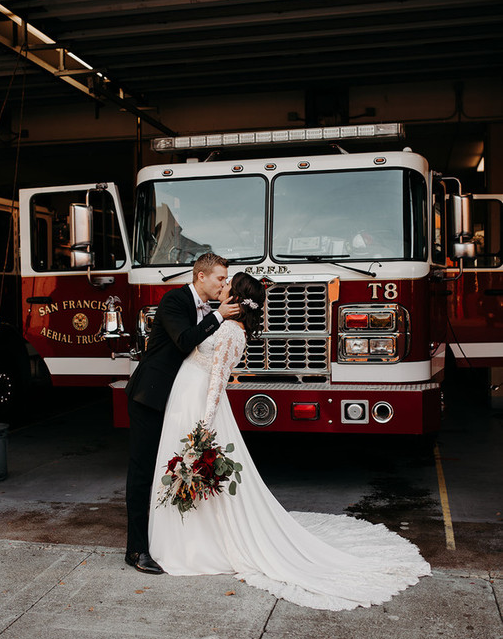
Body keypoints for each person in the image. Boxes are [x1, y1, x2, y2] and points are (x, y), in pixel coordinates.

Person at [149, 272, 431, 610]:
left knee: (192, 468)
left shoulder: (230, 331)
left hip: (199, 404)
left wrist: (203, 430)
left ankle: (195, 545)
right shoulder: (224, 324)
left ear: (236, 297)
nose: (221, 288)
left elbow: (217, 383)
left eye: (227, 285)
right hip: (187, 397)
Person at [124, 252, 239, 573]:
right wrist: (218, 316)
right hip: (150, 397)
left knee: (175, 466)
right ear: (201, 276)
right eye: (220, 278)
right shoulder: (174, 300)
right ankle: (136, 550)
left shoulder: (212, 309)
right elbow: (184, 340)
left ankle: (173, 542)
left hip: (180, 400)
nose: (223, 284)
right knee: (143, 471)